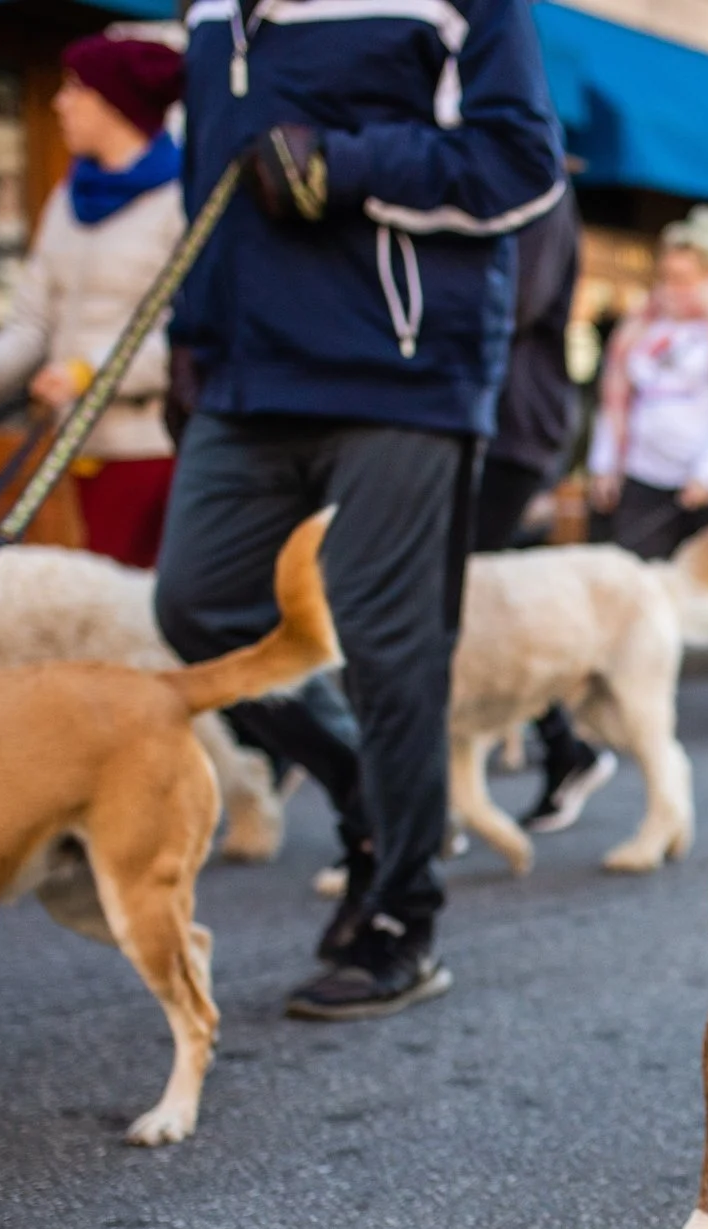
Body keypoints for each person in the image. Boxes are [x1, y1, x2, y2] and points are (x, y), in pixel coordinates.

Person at [152, 0, 568, 1021]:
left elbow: (519, 164)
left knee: (392, 646)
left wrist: (348, 165)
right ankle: (365, 802)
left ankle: (401, 915)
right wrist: (188, 330)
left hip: (404, 371)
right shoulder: (207, 10)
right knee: (197, 607)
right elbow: (207, 173)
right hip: (245, 373)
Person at [0, 35, 187, 569]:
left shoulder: (180, 198)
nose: (59, 102)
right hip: (81, 450)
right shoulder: (67, 200)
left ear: (115, 103)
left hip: (156, 450)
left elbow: (189, 329)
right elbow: (32, 323)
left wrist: (86, 371)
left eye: (76, 88)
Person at [468, 189, 615, 834]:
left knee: (449, 607)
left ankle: (562, 747)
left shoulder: (534, 195)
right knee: (473, 609)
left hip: (508, 434)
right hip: (480, 430)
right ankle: (564, 748)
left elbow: (513, 304)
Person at [586, 207, 708, 561]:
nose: (672, 288)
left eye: (684, 278)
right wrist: (604, 466)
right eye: (666, 276)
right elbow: (617, 401)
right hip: (645, 480)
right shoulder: (643, 324)